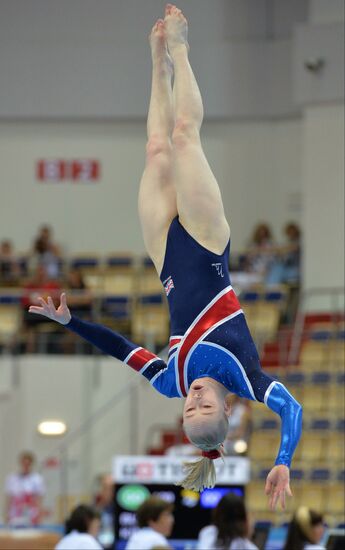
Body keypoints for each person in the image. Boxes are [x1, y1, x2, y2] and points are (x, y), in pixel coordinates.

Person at [28, 4, 302, 507]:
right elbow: (293, 408)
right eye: (205, 407)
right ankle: (180, 45)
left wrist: (70, 321)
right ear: (227, 405)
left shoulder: (171, 380)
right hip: (205, 242)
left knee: (156, 149)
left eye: (189, 411)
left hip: (166, 258)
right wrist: (283, 458)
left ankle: (158, 62)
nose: (195, 400)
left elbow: (121, 349)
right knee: (182, 138)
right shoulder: (245, 374)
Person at [4, 451, 45, 527]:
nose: (26, 466)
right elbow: (9, 499)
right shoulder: (12, 478)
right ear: (21, 463)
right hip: (15, 514)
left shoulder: (37, 479)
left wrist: (39, 516)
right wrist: (6, 514)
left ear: (31, 464)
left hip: (31, 514)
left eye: (28, 464)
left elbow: (39, 499)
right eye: (24, 463)